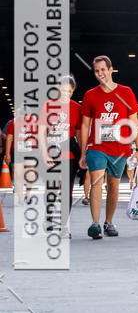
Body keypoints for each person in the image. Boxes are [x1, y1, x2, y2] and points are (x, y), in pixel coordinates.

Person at [79, 55, 138, 239]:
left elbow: (133, 122)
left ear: (111, 70)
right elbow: (85, 125)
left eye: (103, 70)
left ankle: (108, 222)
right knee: (97, 181)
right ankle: (95, 224)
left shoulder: (126, 92)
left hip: (119, 149)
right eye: (96, 71)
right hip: (96, 147)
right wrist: (83, 152)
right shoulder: (90, 95)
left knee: (113, 185)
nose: (100, 74)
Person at [38, 75, 82, 230]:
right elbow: (41, 131)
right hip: (51, 152)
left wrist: (82, 154)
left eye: (69, 91)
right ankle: (49, 218)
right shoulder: (48, 105)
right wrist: (44, 153)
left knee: (67, 190)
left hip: (69, 154)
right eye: (63, 90)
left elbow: (78, 134)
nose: (65, 94)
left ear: (72, 91)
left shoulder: (76, 108)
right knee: (52, 187)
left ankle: (64, 225)